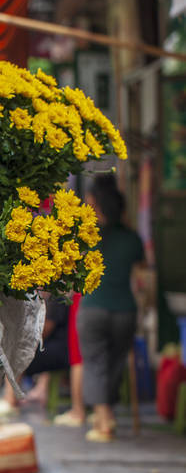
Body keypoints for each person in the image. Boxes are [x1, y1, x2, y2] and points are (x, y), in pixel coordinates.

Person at [77, 173, 145, 443]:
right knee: (115, 363)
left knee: (95, 363)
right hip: (125, 310)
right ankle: (110, 415)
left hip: (93, 307)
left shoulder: (89, 237)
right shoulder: (132, 239)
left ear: (95, 205)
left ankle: (104, 421)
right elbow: (143, 274)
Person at [0, 293, 69, 416]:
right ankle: (9, 397)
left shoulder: (56, 300)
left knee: (16, 352)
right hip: (49, 347)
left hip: (58, 351)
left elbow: (44, 330)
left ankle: (10, 400)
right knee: (15, 348)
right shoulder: (47, 299)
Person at [52, 291, 86, 427]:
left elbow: (66, 289)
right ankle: (104, 413)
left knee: (78, 358)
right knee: (100, 358)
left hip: (85, 303)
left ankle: (78, 411)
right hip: (117, 305)